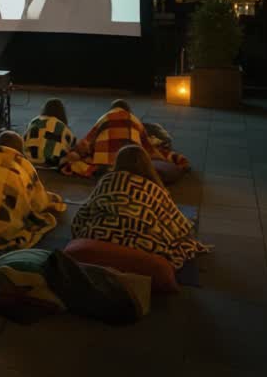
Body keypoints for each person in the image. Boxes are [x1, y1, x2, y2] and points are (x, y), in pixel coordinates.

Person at [71, 145, 209, 269]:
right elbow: (179, 228)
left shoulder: (106, 181)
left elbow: (82, 216)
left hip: (96, 237)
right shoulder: (155, 190)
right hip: (144, 246)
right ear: (148, 165)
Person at [61, 100, 190, 178]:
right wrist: (160, 156)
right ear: (128, 110)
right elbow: (147, 147)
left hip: (104, 167)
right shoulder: (134, 119)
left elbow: (86, 143)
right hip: (132, 164)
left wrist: (78, 154)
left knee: (79, 162)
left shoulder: (104, 118)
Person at [22, 98, 76, 168]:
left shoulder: (34, 121)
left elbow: (24, 140)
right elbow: (72, 145)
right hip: (53, 163)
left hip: (29, 160)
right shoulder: (63, 127)